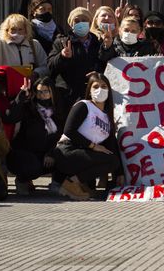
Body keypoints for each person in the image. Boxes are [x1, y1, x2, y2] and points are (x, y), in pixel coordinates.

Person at [51, 72, 122, 200]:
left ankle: (79, 184)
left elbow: (111, 143)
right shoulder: (83, 105)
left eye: (104, 86)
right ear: (89, 90)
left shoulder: (106, 116)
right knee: (110, 160)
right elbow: (69, 131)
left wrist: (120, 173)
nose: (100, 89)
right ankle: (70, 183)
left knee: (113, 160)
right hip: (66, 151)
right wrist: (93, 146)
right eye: (95, 87)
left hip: (84, 154)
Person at [2, 76, 65, 195]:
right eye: (39, 92)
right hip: (25, 153)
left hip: (48, 153)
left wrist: (51, 153)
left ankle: (57, 182)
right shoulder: (29, 107)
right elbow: (9, 117)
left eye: (46, 91)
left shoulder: (58, 111)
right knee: (33, 166)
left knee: (65, 156)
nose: (42, 95)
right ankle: (22, 180)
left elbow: (62, 136)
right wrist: (21, 97)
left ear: (52, 92)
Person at [48, 7, 104, 110]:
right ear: (71, 24)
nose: (81, 23)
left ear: (90, 22)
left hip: (93, 94)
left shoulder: (98, 42)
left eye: (84, 20)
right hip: (69, 97)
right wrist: (62, 56)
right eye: (77, 20)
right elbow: (51, 67)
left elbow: (104, 64)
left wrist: (98, 74)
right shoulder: (61, 42)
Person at [0, 8, 49, 78]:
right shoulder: (0, 43)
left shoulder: (34, 44)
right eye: (13, 29)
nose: (17, 32)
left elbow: (45, 66)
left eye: (20, 29)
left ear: (26, 30)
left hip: (29, 84)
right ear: (7, 30)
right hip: (6, 84)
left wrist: (36, 73)